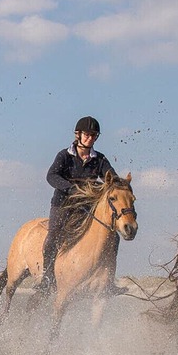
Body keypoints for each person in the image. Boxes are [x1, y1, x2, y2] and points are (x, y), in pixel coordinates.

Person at [36, 116, 116, 295]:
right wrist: (69, 188)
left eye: (94, 135)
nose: (91, 138)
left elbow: (112, 179)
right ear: (78, 135)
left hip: (86, 208)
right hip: (63, 205)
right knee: (54, 235)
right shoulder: (64, 155)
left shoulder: (100, 159)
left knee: (114, 236)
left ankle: (108, 281)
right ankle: (47, 278)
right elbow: (51, 176)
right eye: (87, 134)